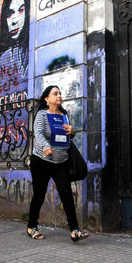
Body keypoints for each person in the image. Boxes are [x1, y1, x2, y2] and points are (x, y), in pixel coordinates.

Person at [27, 85, 89, 242]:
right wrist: (45, 146)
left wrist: (72, 131)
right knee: (39, 195)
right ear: (47, 99)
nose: (59, 95)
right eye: (55, 93)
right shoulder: (42, 114)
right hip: (41, 160)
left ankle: (74, 231)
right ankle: (31, 226)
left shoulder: (64, 115)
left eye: (60, 93)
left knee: (67, 195)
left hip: (61, 161)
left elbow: (67, 136)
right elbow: (38, 133)